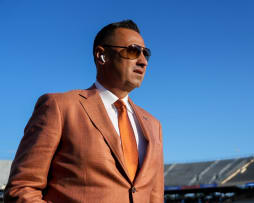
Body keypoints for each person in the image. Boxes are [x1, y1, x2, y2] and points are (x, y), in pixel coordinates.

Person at [5, 20, 164, 203]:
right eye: (133, 51)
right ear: (101, 55)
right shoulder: (60, 107)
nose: (143, 61)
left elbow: (155, 197)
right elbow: (22, 187)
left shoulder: (153, 125)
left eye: (146, 53)